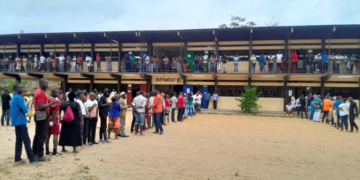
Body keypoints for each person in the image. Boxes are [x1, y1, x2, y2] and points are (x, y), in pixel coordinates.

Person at [10, 83, 41, 166]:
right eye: (21, 88)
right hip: (20, 122)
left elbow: (23, 109)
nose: (22, 89)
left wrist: (22, 109)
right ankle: (32, 159)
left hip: (17, 122)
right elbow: (26, 109)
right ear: (16, 89)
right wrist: (23, 108)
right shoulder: (18, 97)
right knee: (26, 140)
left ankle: (17, 158)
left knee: (19, 141)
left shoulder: (14, 97)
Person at [33, 78, 56, 161]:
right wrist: (51, 103)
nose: (47, 84)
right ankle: (40, 155)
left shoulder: (39, 91)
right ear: (41, 84)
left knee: (38, 135)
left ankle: (35, 153)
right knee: (42, 135)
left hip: (39, 115)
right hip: (41, 116)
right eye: (46, 83)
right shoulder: (41, 93)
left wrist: (48, 105)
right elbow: (41, 107)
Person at [44, 88, 62, 157]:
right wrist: (53, 122)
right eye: (57, 93)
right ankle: (55, 152)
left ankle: (47, 151)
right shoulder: (55, 101)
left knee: (48, 135)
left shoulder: (48, 100)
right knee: (55, 135)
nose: (58, 94)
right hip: (55, 120)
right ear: (53, 93)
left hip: (48, 118)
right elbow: (55, 112)